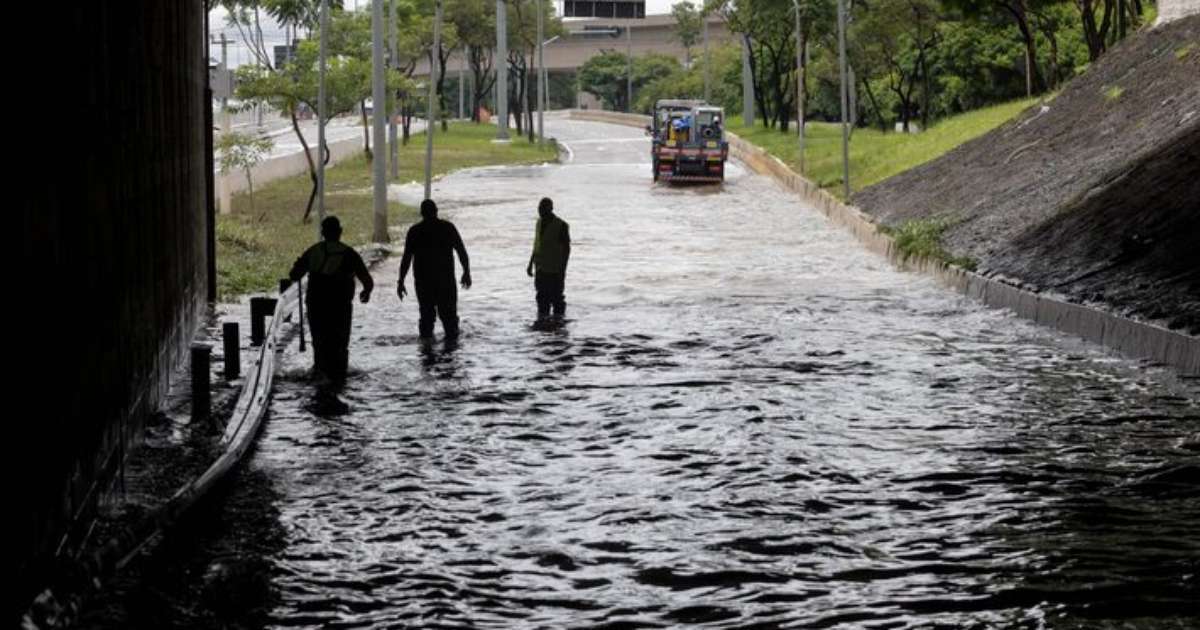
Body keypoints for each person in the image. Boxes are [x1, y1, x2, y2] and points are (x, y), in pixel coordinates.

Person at [289, 216, 374, 380]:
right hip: (340, 306)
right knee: (340, 342)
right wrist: (366, 292)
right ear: (340, 232)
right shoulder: (349, 253)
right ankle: (339, 376)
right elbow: (367, 280)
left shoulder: (313, 251)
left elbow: (294, 274)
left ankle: (320, 373)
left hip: (316, 304)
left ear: (323, 233)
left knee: (319, 341)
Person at [398, 199, 472, 339]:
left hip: (424, 283)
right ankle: (450, 355)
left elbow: (406, 259)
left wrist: (401, 281)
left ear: (421, 213)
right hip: (446, 281)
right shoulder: (448, 228)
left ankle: (427, 355)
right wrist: (466, 272)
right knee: (450, 321)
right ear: (436, 211)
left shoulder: (415, 232)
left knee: (426, 320)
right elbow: (461, 251)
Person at [526, 197, 571, 323]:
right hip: (540, 269)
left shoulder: (561, 225)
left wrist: (563, 270)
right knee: (541, 300)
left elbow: (567, 249)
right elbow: (536, 244)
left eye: (543, 209)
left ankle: (559, 330)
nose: (540, 211)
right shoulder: (539, 223)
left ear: (551, 209)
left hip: (555, 270)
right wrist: (530, 264)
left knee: (557, 302)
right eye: (539, 209)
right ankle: (543, 330)